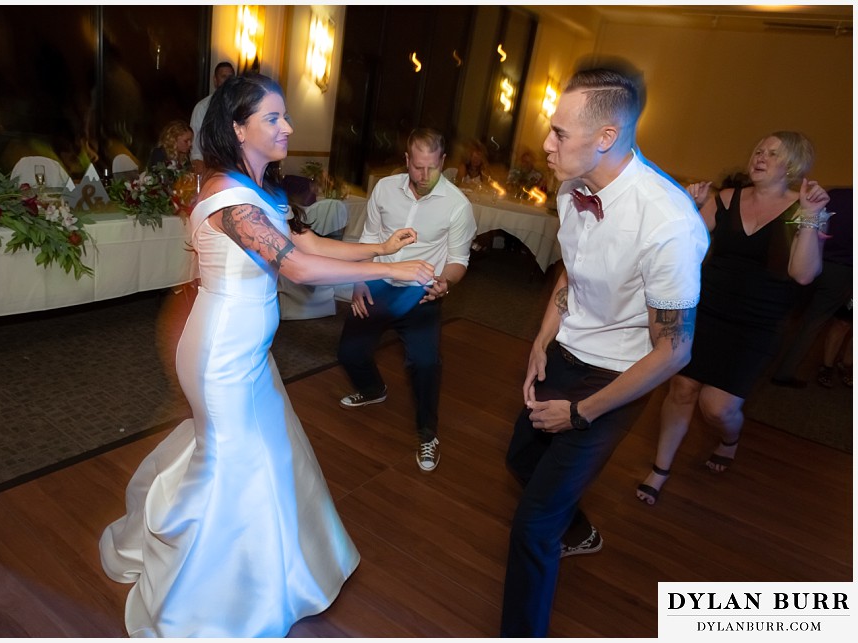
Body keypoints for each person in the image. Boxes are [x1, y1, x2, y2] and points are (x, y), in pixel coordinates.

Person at [99, 73, 435, 637]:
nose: (288, 127)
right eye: (273, 118)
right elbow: (297, 267)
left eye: (284, 116)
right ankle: (202, 599)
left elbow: (305, 243)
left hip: (250, 348)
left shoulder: (258, 187)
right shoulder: (226, 195)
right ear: (238, 128)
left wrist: (379, 244)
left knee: (267, 455)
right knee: (234, 461)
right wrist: (389, 270)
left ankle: (271, 572)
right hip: (220, 352)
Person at [500, 63, 709, 637]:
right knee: (519, 457)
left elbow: (674, 351)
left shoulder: (667, 223)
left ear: (607, 137)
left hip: (614, 380)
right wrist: (543, 339)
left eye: (559, 133)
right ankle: (581, 530)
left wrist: (582, 412)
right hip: (565, 352)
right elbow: (570, 270)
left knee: (532, 526)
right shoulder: (572, 188)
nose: (546, 144)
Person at [635, 132, 828, 506]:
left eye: (773, 153)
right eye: (758, 150)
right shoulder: (725, 199)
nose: (760, 156)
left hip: (758, 324)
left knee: (718, 407)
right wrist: (689, 209)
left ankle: (729, 438)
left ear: (793, 165)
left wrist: (810, 217)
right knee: (682, 388)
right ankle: (659, 469)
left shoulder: (804, 209)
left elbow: (804, 274)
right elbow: (685, 246)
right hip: (707, 311)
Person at [336, 128, 476, 472]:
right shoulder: (384, 189)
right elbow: (369, 237)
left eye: (432, 167)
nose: (424, 176)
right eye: (417, 167)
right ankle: (372, 388)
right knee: (348, 352)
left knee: (426, 365)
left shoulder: (458, 205)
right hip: (378, 284)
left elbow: (459, 260)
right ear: (407, 161)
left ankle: (428, 433)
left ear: (442, 161)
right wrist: (359, 279)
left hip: (422, 293)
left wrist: (445, 281)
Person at [770, 187, 852, 388]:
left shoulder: (834, 194)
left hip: (810, 257)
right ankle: (784, 373)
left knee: (787, 314)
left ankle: (764, 361)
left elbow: (803, 222)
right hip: (840, 271)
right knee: (812, 324)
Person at [190, 61, 235, 175]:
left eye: (230, 77)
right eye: (223, 77)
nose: (227, 81)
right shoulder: (202, 107)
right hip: (210, 168)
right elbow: (196, 147)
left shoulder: (241, 107)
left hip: (235, 169)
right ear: (215, 80)